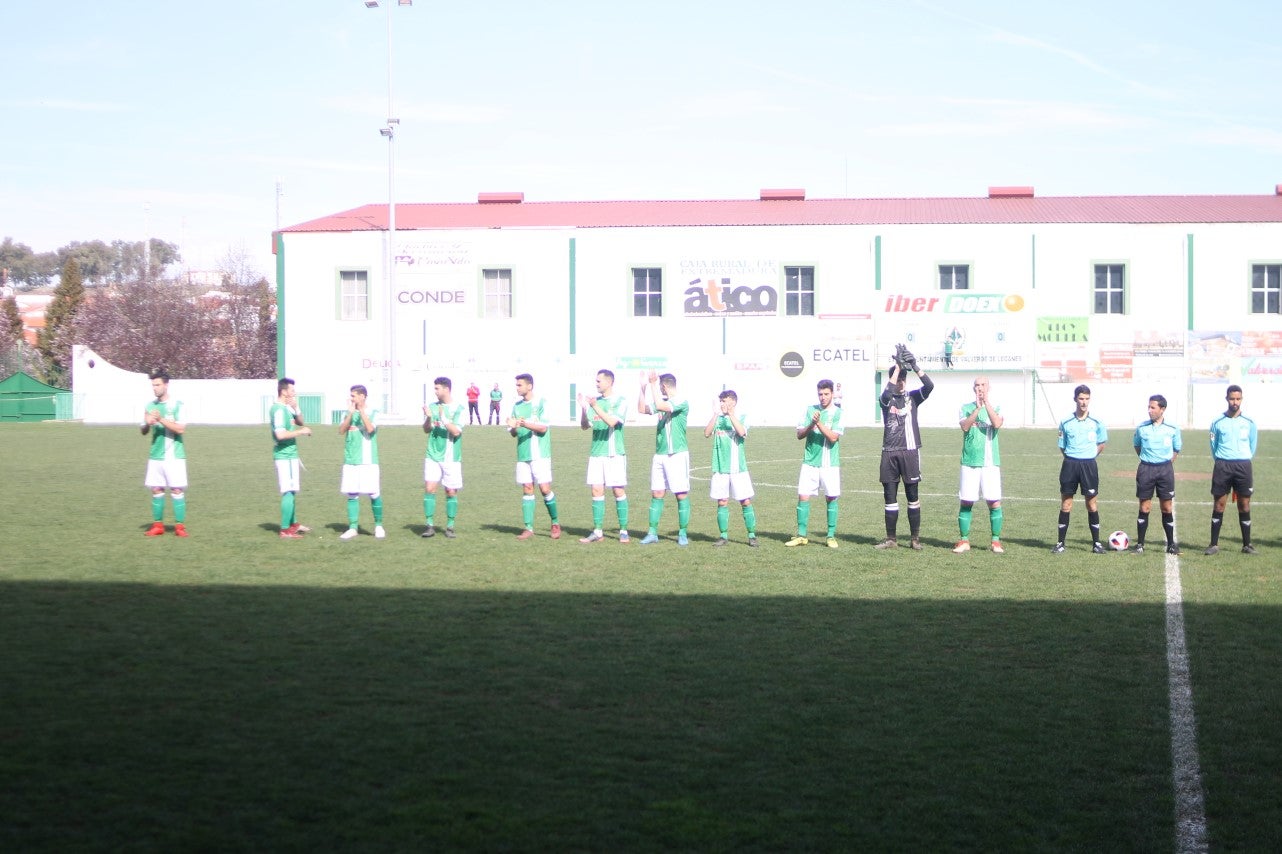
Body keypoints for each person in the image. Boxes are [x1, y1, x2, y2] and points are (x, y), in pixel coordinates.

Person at [875, 346, 934, 549]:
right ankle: (891, 539)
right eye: (898, 379)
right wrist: (898, 368)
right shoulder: (886, 399)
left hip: (910, 452)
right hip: (889, 452)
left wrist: (914, 366)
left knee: (912, 496)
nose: (900, 383)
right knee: (889, 497)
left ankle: (915, 539)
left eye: (902, 379)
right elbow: (885, 394)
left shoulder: (914, 397)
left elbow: (929, 386)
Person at [785, 379, 843, 548]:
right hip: (810, 462)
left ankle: (830, 536)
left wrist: (819, 423)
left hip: (829, 463)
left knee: (831, 497)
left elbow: (833, 438)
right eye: (820, 394)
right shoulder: (810, 410)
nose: (823, 397)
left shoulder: (838, 413)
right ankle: (801, 535)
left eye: (826, 394)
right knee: (803, 496)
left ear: (832, 394)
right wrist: (812, 423)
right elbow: (799, 434)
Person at [1053, 384, 1108, 553]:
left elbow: (1102, 443)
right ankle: (1061, 543)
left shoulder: (1097, 422)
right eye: (1081, 398)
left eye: (1086, 399)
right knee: (1066, 504)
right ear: (1075, 399)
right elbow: (1062, 446)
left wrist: (1090, 456)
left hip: (1089, 465)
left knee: (1091, 504)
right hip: (1070, 464)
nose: (1084, 402)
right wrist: (1073, 456)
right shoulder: (1065, 422)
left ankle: (1096, 543)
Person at [637, 371, 691, 546]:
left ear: (665, 386)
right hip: (660, 454)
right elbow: (642, 409)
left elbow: (660, 406)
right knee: (657, 493)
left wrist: (653, 384)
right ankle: (652, 533)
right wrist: (643, 388)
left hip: (677, 454)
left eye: (660, 387)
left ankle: (682, 533)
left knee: (681, 494)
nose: (659, 389)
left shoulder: (681, 401)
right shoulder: (663, 402)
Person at [953, 376, 1004, 554]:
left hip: (990, 462)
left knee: (994, 501)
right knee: (966, 500)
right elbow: (965, 427)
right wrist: (977, 409)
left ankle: (995, 541)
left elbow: (997, 423)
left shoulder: (996, 406)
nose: (979, 388)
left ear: (988, 387)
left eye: (983, 385)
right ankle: (964, 540)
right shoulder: (965, 407)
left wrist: (986, 404)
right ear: (972, 388)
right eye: (976, 385)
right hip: (970, 460)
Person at [578, 369, 630, 543]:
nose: (596, 383)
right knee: (596, 490)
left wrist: (593, 406)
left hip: (614, 453)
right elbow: (585, 426)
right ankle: (598, 531)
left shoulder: (620, 401)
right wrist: (584, 410)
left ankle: (623, 530)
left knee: (618, 490)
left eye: (599, 381)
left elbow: (612, 422)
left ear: (609, 382)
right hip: (596, 452)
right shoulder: (596, 402)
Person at [508, 373, 561, 540]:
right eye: (516, 385)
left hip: (540, 454)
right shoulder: (516, 406)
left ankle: (555, 522)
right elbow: (513, 433)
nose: (517, 388)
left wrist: (524, 423)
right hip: (523, 454)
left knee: (545, 488)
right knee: (527, 489)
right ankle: (528, 528)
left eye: (519, 385)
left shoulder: (541, 403)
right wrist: (514, 427)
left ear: (529, 386)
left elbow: (543, 428)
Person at [1206, 384, 1257, 555]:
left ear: (1241, 399)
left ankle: (1247, 545)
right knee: (1219, 504)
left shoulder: (1249, 422)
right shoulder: (1217, 422)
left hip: (1243, 466)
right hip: (1223, 465)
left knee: (1244, 504)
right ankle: (1213, 544)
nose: (1235, 402)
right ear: (1226, 399)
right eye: (1232, 398)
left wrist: (1243, 457)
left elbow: (1252, 444)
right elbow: (1213, 445)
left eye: (1238, 399)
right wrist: (1222, 460)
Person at [704, 389, 758, 547]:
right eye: (720, 401)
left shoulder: (742, 416)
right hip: (720, 468)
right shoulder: (718, 418)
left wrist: (730, 415)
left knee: (745, 501)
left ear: (733, 402)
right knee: (722, 502)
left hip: (738, 468)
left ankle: (752, 535)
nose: (722, 403)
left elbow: (742, 432)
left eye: (724, 400)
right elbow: (707, 433)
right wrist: (715, 414)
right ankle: (723, 536)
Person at [1132, 394, 1182, 555]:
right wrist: (1148, 461)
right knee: (1144, 507)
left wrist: (1165, 464)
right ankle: (1140, 544)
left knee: (1166, 507)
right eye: (1149, 407)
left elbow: (1176, 449)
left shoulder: (1172, 429)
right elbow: (1137, 446)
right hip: (1146, 469)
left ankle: (1171, 544)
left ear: (1162, 409)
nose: (1149, 410)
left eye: (1153, 407)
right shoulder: (1142, 428)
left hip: (1165, 470)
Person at [141, 369, 189, 537]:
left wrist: (160, 419)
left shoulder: (177, 405)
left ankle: (180, 527)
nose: (155, 388)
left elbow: (181, 429)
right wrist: (147, 423)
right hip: (156, 455)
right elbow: (143, 431)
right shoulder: (149, 406)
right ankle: (158, 526)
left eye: (158, 385)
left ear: (166, 385)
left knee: (177, 490)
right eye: (153, 385)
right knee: (156, 489)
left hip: (174, 455)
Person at [338, 384, 384, 540]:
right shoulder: (348, 412)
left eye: (354, 396)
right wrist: (350, 414)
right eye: (351, 396)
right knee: (352, 494)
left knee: (373, 493)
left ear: (363, 396)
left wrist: (361, 412)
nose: (351, 398)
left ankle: (378, 525)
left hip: (368, 460)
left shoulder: (374, 412)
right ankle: (353, 527)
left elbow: (370, 429)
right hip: (351, 459)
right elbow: (341, 430)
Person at [421, 376, 464, 539]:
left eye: (437, 388)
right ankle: (429, 525)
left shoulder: (459, 408)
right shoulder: (432, 407)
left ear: (446, 389)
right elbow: (426, 430)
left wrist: (444, 419)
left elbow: (456, 431)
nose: (435, 391)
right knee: (430, 488)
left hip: (451, 457)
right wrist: (429, 418)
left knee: (451, 491)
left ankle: (450, 526)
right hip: (432, 455)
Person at [270, 377, 312, 539]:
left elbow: (300, 421)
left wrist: (296, 407)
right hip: (284, 455)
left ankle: (293, 524)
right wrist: (300, 433)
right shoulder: (279, 410)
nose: (294, 393)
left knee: (292, 490)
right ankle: (285, 530)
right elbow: (280, 435)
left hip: (291, 454)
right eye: (292, 390)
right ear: (284, 391)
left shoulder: (287, 408)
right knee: (288, 490)